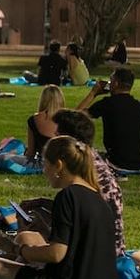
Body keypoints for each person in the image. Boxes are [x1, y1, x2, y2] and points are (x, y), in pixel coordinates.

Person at [0, 136, 117, 279]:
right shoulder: (97, 196)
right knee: (29, 236)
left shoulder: (67, 196)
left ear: (58, 166)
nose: (44, 170)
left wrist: (15, 249)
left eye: (45, 164)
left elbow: (56, 254)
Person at [52, 109, 125, 256]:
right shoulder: (93, 161)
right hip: (111, 249)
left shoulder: (79, 175)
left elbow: (57, 253)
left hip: (93, 256)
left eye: (57, 136)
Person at [77, 67, 140, 171]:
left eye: (111, 80)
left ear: (115, 83)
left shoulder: (108, 103)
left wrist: (93, 93)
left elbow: (76, 116)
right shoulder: (139, 106)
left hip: (119, 162)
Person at [0, 85, 64, 171]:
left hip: (42, 164)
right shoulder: (67, 119)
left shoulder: (34, 119)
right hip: (64, 164)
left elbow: (30, 154)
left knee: (2, 157)